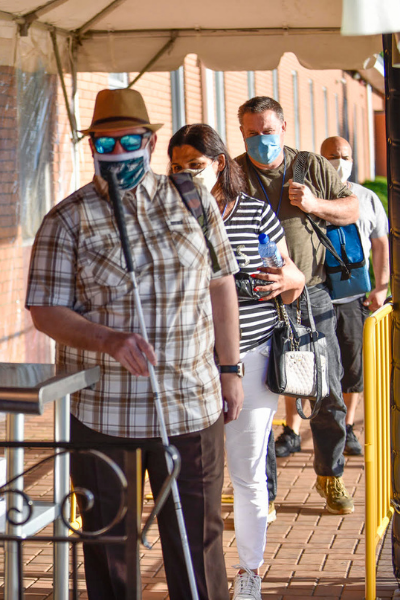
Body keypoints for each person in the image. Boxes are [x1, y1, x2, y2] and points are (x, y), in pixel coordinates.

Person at [25, 88, 244, 600]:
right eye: (105, 142)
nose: (117, 152)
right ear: (93, 146)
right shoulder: (67, 218)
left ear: (148, 142)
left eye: (128, 140)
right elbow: (45, 310)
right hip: (104, 415)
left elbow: (221, 283)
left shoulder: (191, 199)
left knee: (198, 548)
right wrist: (106, 338)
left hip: (191, 406)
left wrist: (230, 368)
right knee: (110, 551)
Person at [168, 123, 305, 600]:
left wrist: (285, 279)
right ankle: (199, 576)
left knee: (246, 471)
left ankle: (249, 572)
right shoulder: (165, 215)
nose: (186, 174)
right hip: (188, 365)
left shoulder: (254, 213)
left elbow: (289, 272)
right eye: (178, 167)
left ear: (220, 164)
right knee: (192, 478)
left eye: (196, 166)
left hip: (251, 354)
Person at [236, 96, 359, 516]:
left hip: (312, 294)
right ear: (242, 134)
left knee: (327, 391)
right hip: (255, 298)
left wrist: (314, 205)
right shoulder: (233, 173)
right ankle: (264, 496)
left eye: (268, 132)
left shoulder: (309, 166)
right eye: (252, 133)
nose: (260, 140)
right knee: (258, 399)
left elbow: (351, 208)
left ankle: (331, 473)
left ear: (283, 129)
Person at [320, 135, 389, 455]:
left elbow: (380, 244)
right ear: (321, 158)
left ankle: (347, 426)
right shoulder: (310, 197)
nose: (339, 161)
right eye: (332, 155)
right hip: (317, 295)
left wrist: (382, 286)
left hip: (353, 297)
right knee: (306, 365)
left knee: (353, 365)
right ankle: (292, 429)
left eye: (345, 155)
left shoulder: (366, 198)